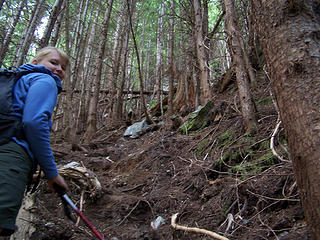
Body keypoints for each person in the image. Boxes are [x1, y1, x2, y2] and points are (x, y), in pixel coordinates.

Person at [0, 46, 69, 237]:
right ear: (35, 63)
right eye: (53, 62)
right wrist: (52, 172)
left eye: (63, 67)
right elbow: (34, 122)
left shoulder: (16, 81)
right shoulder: (45, 80)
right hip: (11, 158)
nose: (59, 70)